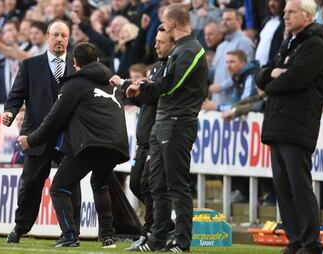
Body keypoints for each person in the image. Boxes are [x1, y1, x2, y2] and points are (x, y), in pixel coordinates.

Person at [18, 42, 129, 248]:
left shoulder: (75, 84)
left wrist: (31, 140)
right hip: (118, 143)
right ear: (97, 60)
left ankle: (69, 235)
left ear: (75, 63)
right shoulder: (112, 81)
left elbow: (53, 120)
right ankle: (108, 236)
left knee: (59, 187)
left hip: (91, 143)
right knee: (100, 183)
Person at [126, 4, 209, 252]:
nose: (161, 28)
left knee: (178, 186)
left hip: (178, 123)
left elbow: (170, 85)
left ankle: (182, 243)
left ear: (172, 24)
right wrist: (147, 86)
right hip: (162, 122)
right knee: (157, 186)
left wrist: (144, 87)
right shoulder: (180, 50)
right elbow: (165, 83)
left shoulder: (191, 49)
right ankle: (157, 240)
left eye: (163, 22)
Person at [255, 0, 323, 253]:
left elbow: (293, 80)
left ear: (307, 15)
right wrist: (274, 75)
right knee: (283, 188)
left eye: (291, 12)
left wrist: (272, 81)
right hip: (278, 124)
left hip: (297, 125)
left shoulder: (315, 46)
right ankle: (295, 239)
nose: (285, 16)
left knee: (299, 186)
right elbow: (262, 73)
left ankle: (311, 242)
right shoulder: (289, 42)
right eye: (285, 11)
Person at [2, 20, 81, 245]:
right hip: (37, 135)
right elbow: (16, 95)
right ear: (47, 37)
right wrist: (9, 112)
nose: (60, 40)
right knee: (30, 184)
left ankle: (71, 232)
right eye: (55, 35)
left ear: (69, 38)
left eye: (64, 36)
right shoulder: (30, 65)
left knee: (70, 184)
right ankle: (20, 228)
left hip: (68, 135)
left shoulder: (77, 65)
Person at [109, 24, 176, 250]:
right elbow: (149, 99)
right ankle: (164, 225)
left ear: (172, 44)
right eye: (155, 41)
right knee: (137, 184)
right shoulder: (157, 67)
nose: (156, 45)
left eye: (161, 42)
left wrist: (126, 83)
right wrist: (135, 94)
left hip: (156, 138)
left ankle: (149, 233)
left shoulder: (171, 69)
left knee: (149, 185)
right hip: (143, 140)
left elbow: (158, 96)